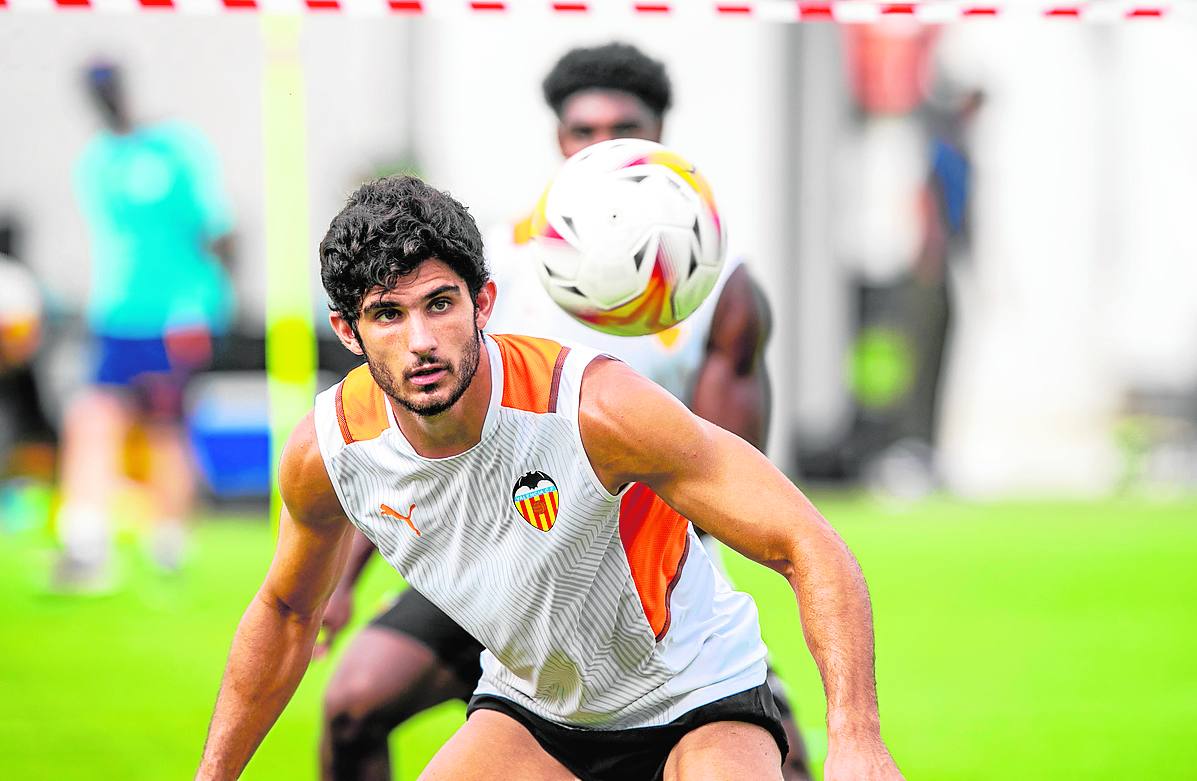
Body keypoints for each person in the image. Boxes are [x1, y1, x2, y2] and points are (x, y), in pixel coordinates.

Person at [197, 175, 901, 781]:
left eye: (440, 303)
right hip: (536, 712)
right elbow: (287, 612)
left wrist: (857, 737)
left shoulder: (595, 405)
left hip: (694, 695)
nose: (420, 341)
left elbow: (804, 540)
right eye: (387, 314)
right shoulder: (328, 451)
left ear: (483, 302)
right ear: (348, 332)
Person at [318, 43, 809, 780]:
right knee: (353, 700)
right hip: (487, 552)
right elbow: (407, 422)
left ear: (657, 135)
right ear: (559, 140)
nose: (600, 145)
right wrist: (344, 574)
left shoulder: (717, 282)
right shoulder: (495, 268)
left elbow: (722, 480)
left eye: (623, 127)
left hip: (636, 576)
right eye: (582, 131)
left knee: (785, 760)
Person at [53, 61, 235, 589]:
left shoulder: (175, 149)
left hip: (177, 314)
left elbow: (217, 229)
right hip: (118, 313)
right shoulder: (97, 160)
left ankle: (169, 543)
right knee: (92, 418)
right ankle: (87, 544)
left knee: (165, 427)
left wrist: (210, 303)